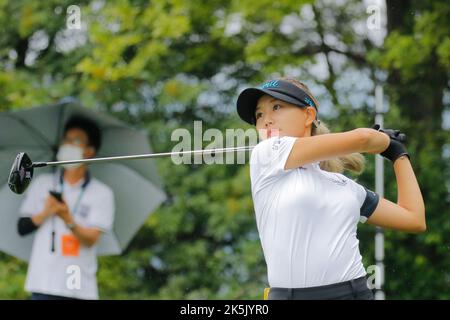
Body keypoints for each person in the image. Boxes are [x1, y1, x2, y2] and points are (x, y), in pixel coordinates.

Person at [236, 78, 426, 300]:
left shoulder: (345, 186)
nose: (266, 120)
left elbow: (414, 219)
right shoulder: (266, 155)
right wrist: (382, 140)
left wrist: (397, 154)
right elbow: (363, 138)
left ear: (308, 115)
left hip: (355, 293)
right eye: (259, 115)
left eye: (276, 107)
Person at [17, 115, 115, 300]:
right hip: (42, 284)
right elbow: (22, 227)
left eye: (76, 141)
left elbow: (91, 239)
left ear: (89, 151)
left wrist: (67, 218)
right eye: (66, 140)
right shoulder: (43, 183)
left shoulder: (101, 193)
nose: (68, 145)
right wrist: (47, 212)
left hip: (78, 288)